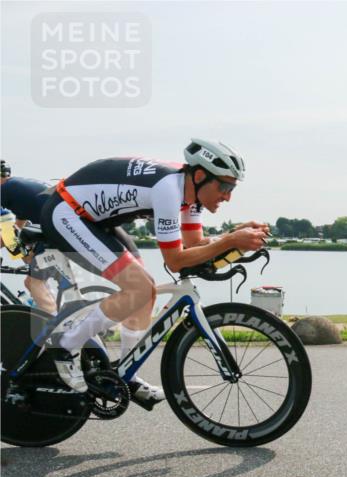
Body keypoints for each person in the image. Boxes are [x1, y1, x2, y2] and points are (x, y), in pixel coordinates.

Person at [40, 139, 269, 404]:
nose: (227, 196)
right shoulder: (168, 190)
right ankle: (65, 346)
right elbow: (175, 261)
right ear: (200, 176)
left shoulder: (191, 194)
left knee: (145, 291)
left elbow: (194, 244)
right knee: (139, 287)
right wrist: (229, 241)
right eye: (224, 187)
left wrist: (234, 235)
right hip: (67, 213)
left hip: (96, 220)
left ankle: (126, 372)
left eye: (232, 188)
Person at [0, 159, 59, 313]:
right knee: (32, 266)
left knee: (32, 282)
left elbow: (8, 235)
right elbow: (17, 227)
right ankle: (53, 309)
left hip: (54, 230)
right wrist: (24, 254)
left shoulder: (4, 190)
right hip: (57, 227)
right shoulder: (16, 188)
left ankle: (56, 321)